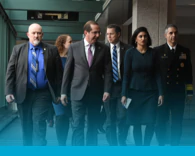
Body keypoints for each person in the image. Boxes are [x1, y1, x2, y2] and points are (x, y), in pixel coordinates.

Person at [5, 23, 62, 146]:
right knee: (26, 126)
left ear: (42, 35)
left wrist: (59, 93)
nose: (36, 35)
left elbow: (59, 74)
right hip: (23, 93)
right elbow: (11, 71)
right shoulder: (18, 50)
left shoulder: (52, 50)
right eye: (34, 33)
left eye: (39, 33)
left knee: (39, 123)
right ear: (28, 34)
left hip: (43, 94)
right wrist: (9, 91)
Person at [61, 20, 112, 146]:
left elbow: (108, 72)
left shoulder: (104, 48)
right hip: (77, 92)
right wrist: (63, 92)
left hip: (95, 93)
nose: (97, 35)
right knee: (77, 125)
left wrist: (107, 90)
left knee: (92, 126)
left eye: (99, 32)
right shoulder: (74, 47)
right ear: (86, 33)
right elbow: (68, 71)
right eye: (94, 32)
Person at [121, 27, 163, 146]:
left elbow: (158, 74)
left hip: (151, 93)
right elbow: (126, 75)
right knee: (136, 122)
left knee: (151, 122)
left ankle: (146, 147)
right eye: (140, 36)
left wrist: (161, 93)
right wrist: (124, 94)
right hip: (134, 93)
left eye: (145, 36)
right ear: (135, 39)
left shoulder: (153, 53)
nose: (143, 38)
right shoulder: (130, 53)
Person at [155, 24, 193, 146]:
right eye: (170, 33)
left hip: (178, 93)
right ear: (165, 35)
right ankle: (161, 145)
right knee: (161, 121)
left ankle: (175, 145)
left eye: (175, 33)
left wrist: (190, 92)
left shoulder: (185, 51)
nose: (173, 35)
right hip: (163, 93)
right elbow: (155, 74)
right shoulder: (158, 51)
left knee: (177, 122)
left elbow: (188, 74)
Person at [104, 24, 131, 146]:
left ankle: (122, 142)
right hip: (107, 89)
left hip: (123, 88)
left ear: (119, 34)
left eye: (112, 34)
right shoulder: (103, 49)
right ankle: (112, 145)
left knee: (123, 117)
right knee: (110, 119)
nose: (109, 36)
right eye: (107, 34)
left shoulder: (128, 49)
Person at [53, 34, 72, 146]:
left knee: (66, 118)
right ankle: (61, 144)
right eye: (70, 42)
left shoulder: (71, 58)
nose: (72, 43)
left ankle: (64, 143)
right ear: (63, 43)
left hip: (70, 93)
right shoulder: (54, 59)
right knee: (60, 117)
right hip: (58, 94)